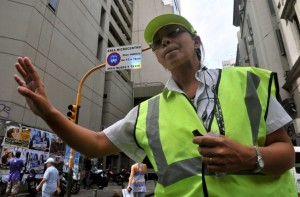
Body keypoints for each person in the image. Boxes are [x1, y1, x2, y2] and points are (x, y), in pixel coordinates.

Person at [13, 13, 297, 196]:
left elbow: (286, 153)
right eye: (158, 43)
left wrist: (250, 157)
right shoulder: (147, 112)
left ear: (196, 41)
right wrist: (49, 113)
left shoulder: (246, 82)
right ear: (159, 58)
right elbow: (95, 144)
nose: (166, 42)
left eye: (173, 32)